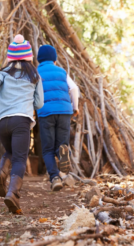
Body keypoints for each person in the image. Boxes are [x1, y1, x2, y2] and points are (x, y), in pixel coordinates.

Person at [0, 34, 44, 213]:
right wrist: (30, 104)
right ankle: (12, 193)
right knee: (20, 157)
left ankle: (0, 173)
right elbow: (39, 104)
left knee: (10, 152)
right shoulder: (34, 75)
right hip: (21, 120)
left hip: (1, 122)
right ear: (29, 56)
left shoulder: (3, 73)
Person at [36, 45, 79, 192]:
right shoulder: (62, 72)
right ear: (54, 59)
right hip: (64, 111)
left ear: (38, 59)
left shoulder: (36, 73)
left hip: (46, 112)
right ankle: (63, 155)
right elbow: (73, 88)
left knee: (47, 149)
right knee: (62, 145)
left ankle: (54, 178)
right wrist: (75, 107)